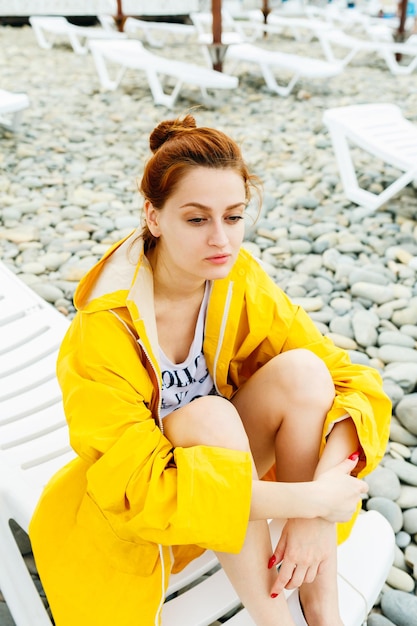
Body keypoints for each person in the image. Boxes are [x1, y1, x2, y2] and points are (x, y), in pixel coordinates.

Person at [30, 114, 391, 626]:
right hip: (154, 516)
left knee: (305, 372)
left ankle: (322, 610)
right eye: (197, 219)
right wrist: (311, 497)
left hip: (235, 487)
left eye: (234, 216)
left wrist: (312, 515)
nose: (221, 239)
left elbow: (348, 383)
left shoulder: (236, 279)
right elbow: (140, 490)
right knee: (211, 418)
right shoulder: (103, 328)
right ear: (153, 217)